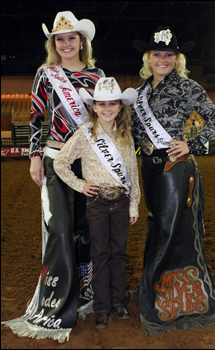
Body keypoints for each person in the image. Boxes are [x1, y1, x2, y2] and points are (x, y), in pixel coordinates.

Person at [2, 11, 105, 342]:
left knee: (87, 227)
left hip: (89, 161)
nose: (65, 44)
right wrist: (34, 157)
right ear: (54, 44)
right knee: (59, 227)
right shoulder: (46, 74)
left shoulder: (96, 75)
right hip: (56, 156)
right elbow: (35, 116)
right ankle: (57, 296)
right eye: (59, 39)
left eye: (71, 38)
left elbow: (104, 120)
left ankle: (86, 290)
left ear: (81, 41)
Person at [131, 26, 215, 336]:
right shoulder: (141, 92)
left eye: (168, 55)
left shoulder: (187, 86)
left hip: (175, 166)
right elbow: (134, 131)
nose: (163, 59)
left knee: (173, 228)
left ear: (176, 59)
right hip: (148, 165)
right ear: (149, 57)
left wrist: (193, 145)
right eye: (157, 54)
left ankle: (175, 289)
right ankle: (155, 284)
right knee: (156, 222)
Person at [53, 77, 141, 329]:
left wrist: (134, 204)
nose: (106, 108)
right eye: (101, 104)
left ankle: (118, 301)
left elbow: (132, 172)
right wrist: (81, 185)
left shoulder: (126, 134)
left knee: (119, 254)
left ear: (120, 107)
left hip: (122, 202)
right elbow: (60, 163)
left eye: (112, 103)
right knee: (100, 254)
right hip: (98, 203)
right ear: (94, 107)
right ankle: (102, 307)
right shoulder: (84, 134)